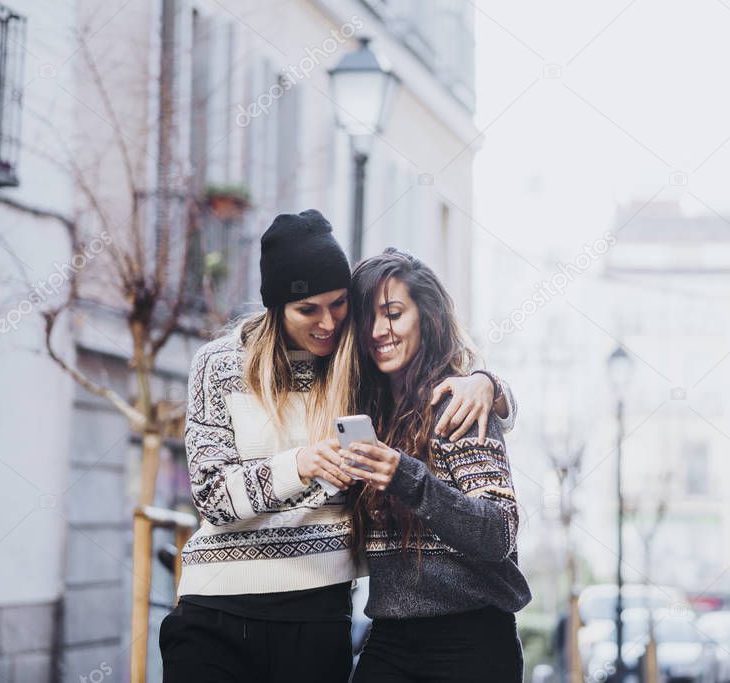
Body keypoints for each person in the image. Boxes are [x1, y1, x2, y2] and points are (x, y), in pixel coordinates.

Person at [159, 212, 513, 683]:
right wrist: (299, 464)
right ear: (277, 307)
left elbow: (423, 374)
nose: (328, 323)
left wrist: (488, 383)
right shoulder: (220, 363)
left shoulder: (352, 367)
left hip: (320, 609)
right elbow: (209, 494)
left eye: (340, 305)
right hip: (216, 606)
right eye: (308, 309)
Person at [326, 248, 532, 681]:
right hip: (390, 637)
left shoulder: (456, 406)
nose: (380, 331)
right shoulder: (368, 416)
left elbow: (499, 530)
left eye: (394, 314)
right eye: (368, 319)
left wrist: (407, 478)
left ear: (427, 317)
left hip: (469, 642)